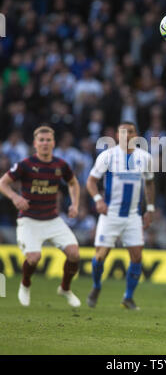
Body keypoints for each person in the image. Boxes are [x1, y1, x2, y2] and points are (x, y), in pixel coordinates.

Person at [0, 126, 81, 308]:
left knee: (74, 254)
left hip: (52, 219)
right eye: (41, 140)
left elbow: (73, 183)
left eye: (48, 140)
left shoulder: (61, 165)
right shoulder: (25, 165)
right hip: (29, 220)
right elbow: (3, 183)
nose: (45, 143)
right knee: (34, 258)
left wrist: (74, 205)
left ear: (53, 143)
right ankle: (25, 284)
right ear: (35, 144)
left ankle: (65, 288)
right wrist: (15, 197)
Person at [86, 121, 155, 310]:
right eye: (123, 132)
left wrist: (149, 208)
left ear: (136, 135)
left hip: (133, 215)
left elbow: (149, 183)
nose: (127, 135)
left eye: (131, 132)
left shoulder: (145, 158)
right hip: (110, 214)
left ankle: (128, 297)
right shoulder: (107, 156)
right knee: (100, 256)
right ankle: (96, 286)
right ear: (117, 135)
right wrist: (98, 200)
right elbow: (91, 182)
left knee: (137, 257)